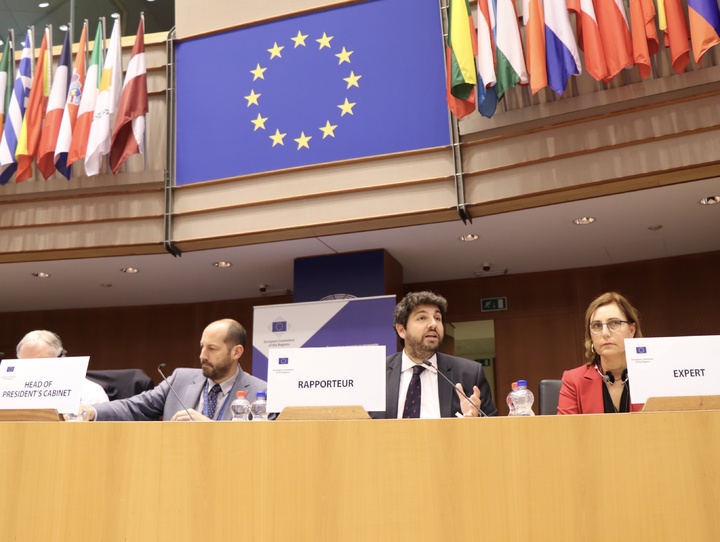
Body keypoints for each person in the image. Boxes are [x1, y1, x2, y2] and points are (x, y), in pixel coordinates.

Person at [85, 318, 266, 421]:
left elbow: (265, 444)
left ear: (236, 352)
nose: (202, 356)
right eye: (202, 346)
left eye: (212, 349)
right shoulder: (180, 378)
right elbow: (135, 407)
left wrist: (211, 428)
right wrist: (92, 411)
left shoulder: (261, 392)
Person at [372, 291, 498, 419]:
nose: (433, 324)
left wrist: (475, 422)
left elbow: (493, 428)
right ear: (401, 330)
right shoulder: (375, 373)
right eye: (422, 318)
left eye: (437, 318)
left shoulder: (469, 374)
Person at [558, 291, 644, 414]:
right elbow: (564, 430)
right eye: (597, 326)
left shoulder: (652, 376)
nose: (605, 333)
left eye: (614, 323)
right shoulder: (573, 381)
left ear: (631, 330)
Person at [16, 330, 109, 404]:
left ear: (60, 358)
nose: (34, 369)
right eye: (26, 364)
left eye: (41, 362)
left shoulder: (89, 391)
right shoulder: (8, 392)